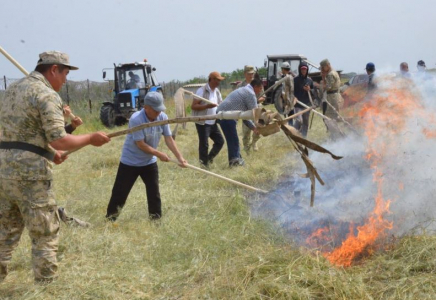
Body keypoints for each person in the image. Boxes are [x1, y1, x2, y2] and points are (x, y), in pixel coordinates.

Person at [0, 51, 110, 284]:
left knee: (4, 234)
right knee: (44, 234)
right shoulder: (46, 94)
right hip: (30, 176)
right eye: (65, 74)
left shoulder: (10, 91)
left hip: (3, 172)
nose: (66, 80)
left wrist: (50, 153)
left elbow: (21, 136)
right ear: (53, 70)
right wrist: (91, 138)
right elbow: (60, 139)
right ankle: (46, 288)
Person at [106, 92, 187, 221]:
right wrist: (159, 154)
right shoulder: (136, 119)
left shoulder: (163, 117)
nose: (158, 113)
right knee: (120, 193)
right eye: (155, 110)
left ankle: (156, 220)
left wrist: (179, 157)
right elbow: (141, 144)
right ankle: (110, 219)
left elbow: (169, 139)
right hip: (130, 162)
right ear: (146, 107)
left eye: (160, 109)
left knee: (154, 192)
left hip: (149, 162)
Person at [216, 79, 262, 167]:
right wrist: (258, 125)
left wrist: (253, 128)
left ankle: (238, 159)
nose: (260, 91)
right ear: (255, 87)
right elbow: (255, 114)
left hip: (226, 114)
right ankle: (234, 163)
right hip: (225, 115)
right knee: (233, 140)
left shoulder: (245, 90)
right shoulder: (250, 94)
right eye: (260, 88)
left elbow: (245, 117)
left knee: (233, 139)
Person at [191, 72, 225, 168]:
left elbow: (220, 104)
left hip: (213, 122)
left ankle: (209, 159)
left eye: (219, 80)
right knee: (204, 145)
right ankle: (203, 165)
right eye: (217, 80)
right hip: (203, 122)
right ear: (212, 79)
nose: (219, 82)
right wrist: (207, 106)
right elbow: (193, 106)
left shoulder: (217, 91)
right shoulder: (201, 91)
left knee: (220, 141)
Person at [236, 65, 264, 152]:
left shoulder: (258, 84)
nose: (251, 75)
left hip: (256, 110)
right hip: (246, 111)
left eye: (252, 73)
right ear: (245, 74)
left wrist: (255, 100)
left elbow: (263, 97)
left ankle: (254, 143)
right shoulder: (240, 86)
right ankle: (246, 148)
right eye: (249, 74)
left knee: (259, 129)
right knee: (246, 132)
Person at [293, 61, 314, 137]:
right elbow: (291, 91)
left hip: (307, 105)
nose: (303, 71)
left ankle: (304, 137)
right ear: (300, 70)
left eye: (305, 69)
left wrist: (309, 90)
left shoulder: (310, 80)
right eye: (302, 69)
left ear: (307, 70)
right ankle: (293, 134)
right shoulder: (295, 80)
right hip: (298, 104)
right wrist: (294, 97)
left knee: (305, 123)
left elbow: (314, 92)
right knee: (299, 120)